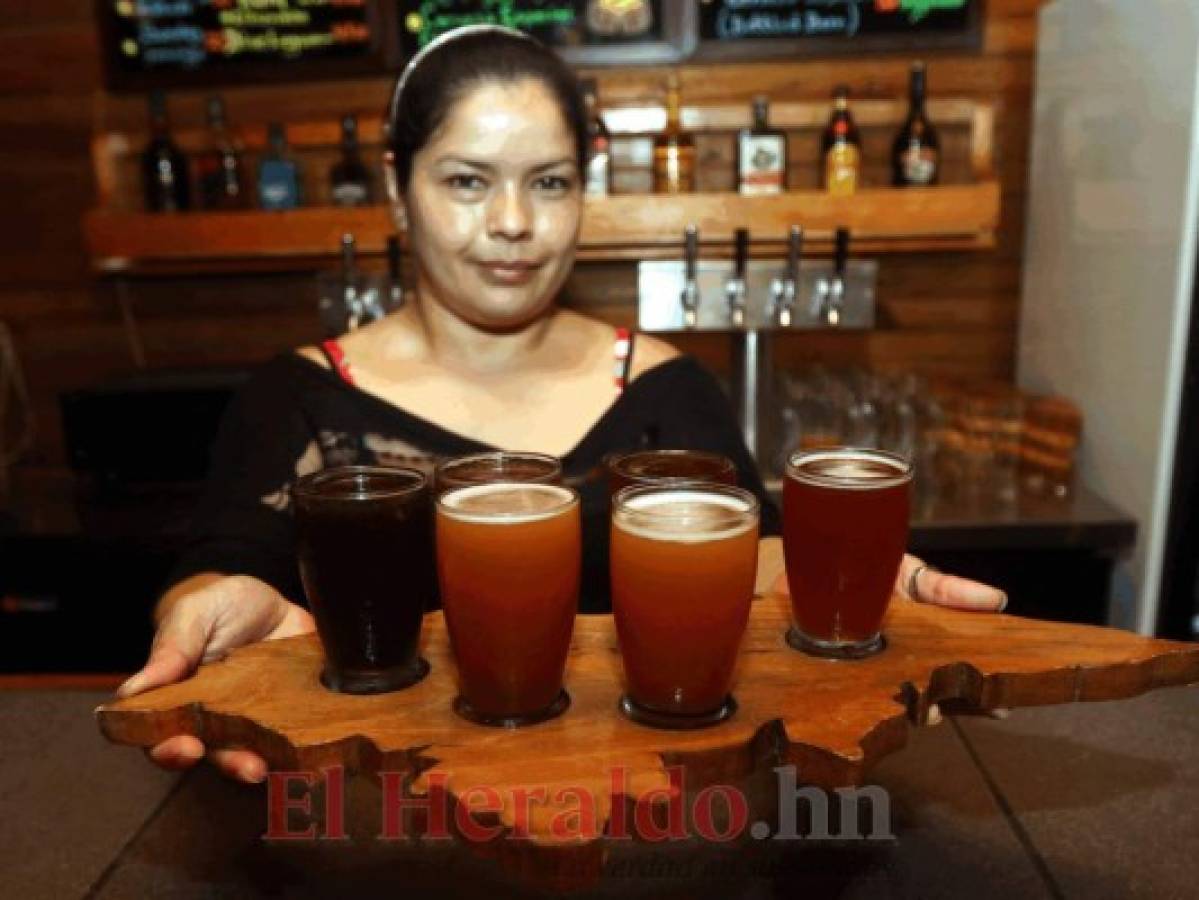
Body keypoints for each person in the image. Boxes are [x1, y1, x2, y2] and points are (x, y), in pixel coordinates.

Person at [116, 25, 1007, 784]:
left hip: (648, 811)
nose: (512, 222)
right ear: (396, 187)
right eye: (467, 181)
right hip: (376, 814)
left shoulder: (666, 389)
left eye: (548, 182)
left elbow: (759, 554)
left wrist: (850, 596)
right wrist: (204, 607)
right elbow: (224, 560)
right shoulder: (297, 397)